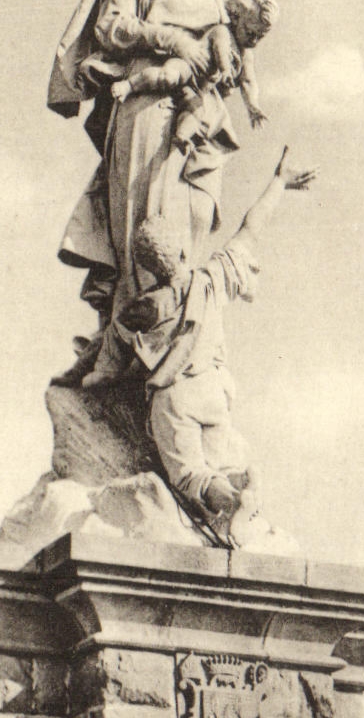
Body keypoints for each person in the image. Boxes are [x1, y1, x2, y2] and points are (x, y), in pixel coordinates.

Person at [48, 0, 241, 382]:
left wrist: (225, 59)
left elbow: (225, 43)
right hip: (145, 105)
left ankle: (172, 339)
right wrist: (171, 39)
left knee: (185, 224)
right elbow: (110, 26)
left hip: (196, 118)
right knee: (141, 222)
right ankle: (127, 351)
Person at [114, 146, 316, 538]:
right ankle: (243, 485)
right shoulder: (211, 278)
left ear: (147, 266)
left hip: (176, 397)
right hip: (215, 389)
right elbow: (250, 228)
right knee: (220, 462)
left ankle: (236, 502)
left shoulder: (145, 308)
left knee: (191, 475)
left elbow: (120, 350)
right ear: (183, 250)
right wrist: (279, 181)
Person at [108, 0, 277, 155]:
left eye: (259, 37)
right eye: (250, 33)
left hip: (198, 88)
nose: (254, 41)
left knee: (196, 112)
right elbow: (220, 51)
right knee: (166, 76)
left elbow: (248, 81)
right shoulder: (222, 31)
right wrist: (226, 70)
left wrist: (253, 106)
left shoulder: (246, 55)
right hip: (188, 68)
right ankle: (130, 85)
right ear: (236, 17)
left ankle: (181, 137)